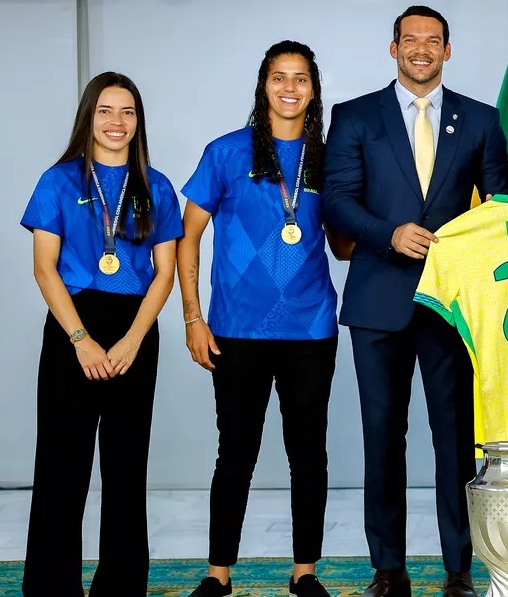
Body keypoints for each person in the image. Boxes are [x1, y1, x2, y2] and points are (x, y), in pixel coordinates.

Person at [322, 5, 508, 597]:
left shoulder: (481, 119)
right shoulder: (354, 116)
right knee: (382, 436)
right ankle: (388, 569)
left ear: (447, 51)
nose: (421, 49)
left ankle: (459, 569)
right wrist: (388, 233)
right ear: (394, 48)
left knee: (455, 438)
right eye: (411, 39)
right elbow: (337, 200)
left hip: (453, 304)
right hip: (378, 299)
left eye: (433, 40)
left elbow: (501, 204)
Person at [179, 41, 339, 597]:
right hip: (236, 329)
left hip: (310, 328)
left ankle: (305, 573)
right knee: (236, 452)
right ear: (263, 86)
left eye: (300, 78)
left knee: (308, 453)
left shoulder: (328, 157)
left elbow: (342, 240)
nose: (289, 88)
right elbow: (188, 238)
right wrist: (193, 317)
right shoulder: (226, 153)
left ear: (313, 90)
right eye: (279, 77)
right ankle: (217, 574)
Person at [20, 71, 182, 596]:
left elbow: (165, 272)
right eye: (105, 110)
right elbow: (45, 268)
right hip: (74, 326)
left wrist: (133, 339)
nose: (117, 122)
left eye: (127, 112)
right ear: (88, 117)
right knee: (61, 466)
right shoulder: (58, 181)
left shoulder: (156, 186)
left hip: (135, 328)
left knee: (126, 467)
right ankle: (51, 585)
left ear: (139, 122)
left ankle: (121, 585)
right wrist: (80, 340)